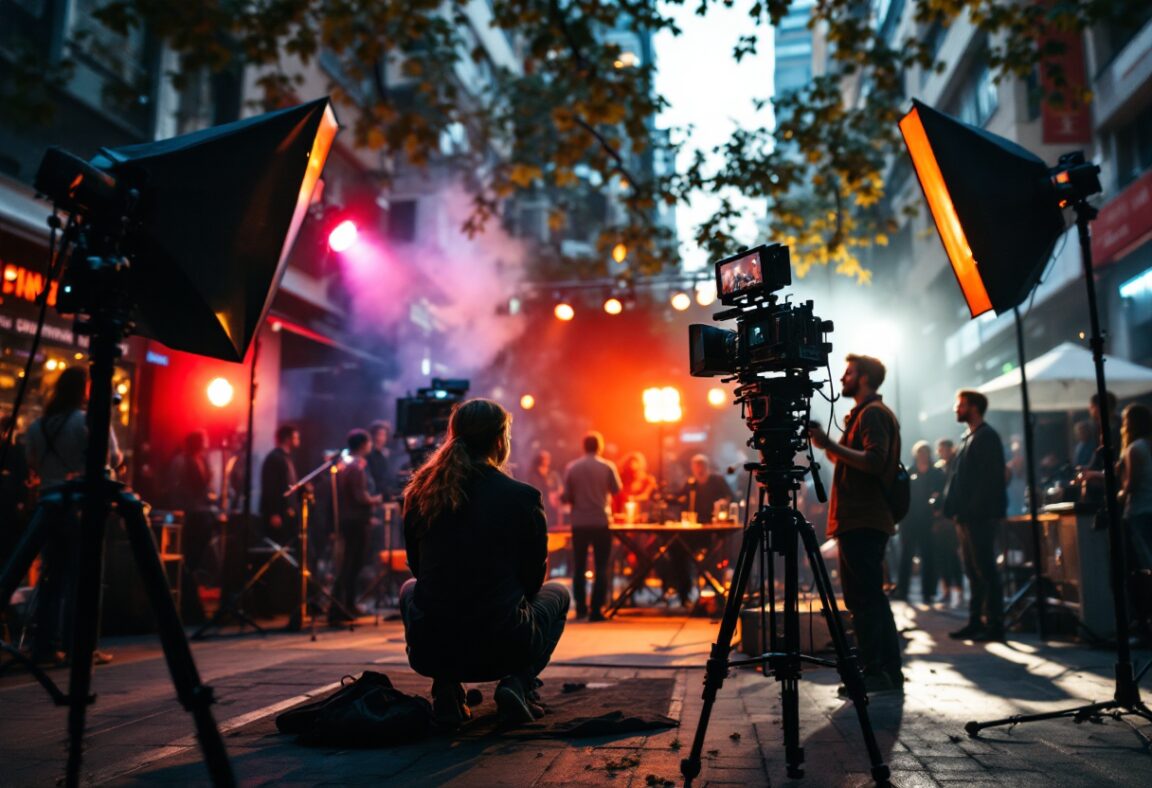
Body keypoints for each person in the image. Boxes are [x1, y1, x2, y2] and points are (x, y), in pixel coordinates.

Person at [399, 399, 568, 727]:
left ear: (453, 436)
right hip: (504, 645)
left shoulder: (419, 493)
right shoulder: (522, 496)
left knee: (410, 588)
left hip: (433, 647)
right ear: (499, 440)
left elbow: (418, 568)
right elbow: (534, 578)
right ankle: (518, 683)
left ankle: (447, 689)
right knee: (558, 593)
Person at [809, 354, 903, 694]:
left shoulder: (873, 414)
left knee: (863, 600)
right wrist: (826, 444)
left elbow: (875, 462)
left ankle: (874, 672)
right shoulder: (863, 415)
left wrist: (830, 444)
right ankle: (889, 671)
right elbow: (854, 459)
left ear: (863, 378)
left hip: (863, 519)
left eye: (849, 373)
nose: (843, 378)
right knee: (872, 598)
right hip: (861, 519)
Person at [24, 367, 121, 665]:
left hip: (48, 506)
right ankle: (80, 647)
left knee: (52, 577)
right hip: (81, 507)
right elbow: (112, 458)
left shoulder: (36, 426)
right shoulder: (85, 421)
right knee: (85, 578)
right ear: (85, 390)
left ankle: (44, 646)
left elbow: (33, 465)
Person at [942, 390, 1007, 642]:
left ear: (974, 407)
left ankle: (994, 624)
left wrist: (971, 510)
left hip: (978, 516)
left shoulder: (986, 436)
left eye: (960, 405)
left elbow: (989, 480)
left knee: (985, 568)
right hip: (966, 516)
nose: (956, 409)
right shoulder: (969, 437)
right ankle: (976, 621)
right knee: (972, 568)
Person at [563, 431, 622, 621]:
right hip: (600, 521)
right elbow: (617, 489)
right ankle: (597, 610)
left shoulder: (572, 467)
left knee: (579, 566)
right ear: (600, 446)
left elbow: (567, 496)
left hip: (579, 522)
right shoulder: (607, 466)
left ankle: (580, 608)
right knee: (601, 566)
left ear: (584, 446)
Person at [331, 429, 382, 624]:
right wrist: (376, 500)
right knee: (352, 564)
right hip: (355, 522)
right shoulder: (356, 467)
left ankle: (346, 605)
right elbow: (360, 496)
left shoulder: (346, 465)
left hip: (351, 520)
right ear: (363, 444)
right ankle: (343, 606)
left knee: (350, 563)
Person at [892, 441, 944, 603]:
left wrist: (937, 515)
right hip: (909, 521)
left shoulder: (937, 473)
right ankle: (903, 589)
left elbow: (942, 495)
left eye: (925, 452)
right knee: (906, 556)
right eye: (920, 452)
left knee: (929, 556)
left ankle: (928, 592)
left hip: (928, 521)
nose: (923, 455)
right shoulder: (908, 472)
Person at [1118, 403, 1152, 643]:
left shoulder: (1134, 448)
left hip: (1139, 511)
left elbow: (1131, 484)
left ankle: (1144, 624)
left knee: (1142, 569)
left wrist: (1117, 495)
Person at [933, 438, 964, 609]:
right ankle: (946, 591)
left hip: (951, 518)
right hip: (939, 519)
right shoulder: (937, 469)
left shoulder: (956, 466)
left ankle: (958, 590)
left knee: (953, 555)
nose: (942, 452)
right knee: (941, 556)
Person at [259, 425, 300, 540]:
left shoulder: (286, 458)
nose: (298, 440)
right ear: (288, 439)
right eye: (296, 437)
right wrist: (274, 513)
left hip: (286, 513)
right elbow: (270, 487)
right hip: (278, 514)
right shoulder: (275, 458)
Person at [613, 451, 657, 521]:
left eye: (635, 463)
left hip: (642, 514)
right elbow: (617, 495)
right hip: (624, 514)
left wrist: (633, 498)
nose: (632, 465)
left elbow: (646, 496)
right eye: (630, 463)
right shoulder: (622, 479)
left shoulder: (648, 480)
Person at [527, 450, 564, 528]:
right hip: (540, 506)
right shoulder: (533, 475)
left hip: (552, 508)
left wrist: (555, 495)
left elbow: (560, 488)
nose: (547, 460)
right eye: (545, 458)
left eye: (548, 458)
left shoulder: (553, 474)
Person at [365, 420, 396, 501]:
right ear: (372, 436)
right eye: (378, 434)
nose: (380, 438)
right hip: (375, 498)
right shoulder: (368, 454)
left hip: (386, 495)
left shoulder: (387, 454)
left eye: (383, 435)